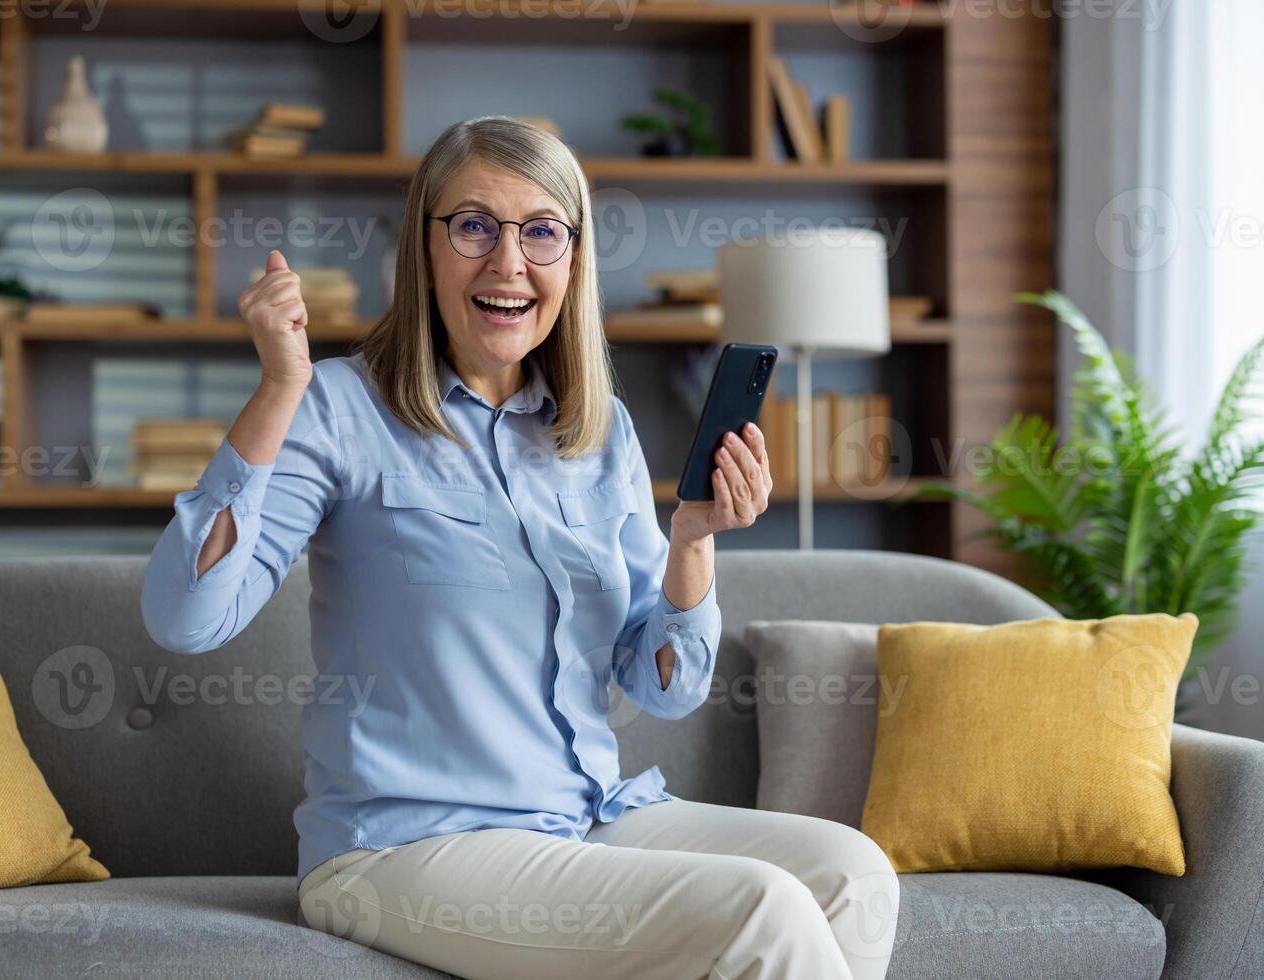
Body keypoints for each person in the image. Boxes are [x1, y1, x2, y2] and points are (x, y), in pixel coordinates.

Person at [140, 115, 899, 980]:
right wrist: (279, 389)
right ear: (424, 246)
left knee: (853, 874)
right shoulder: (336, 408)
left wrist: (692, 540)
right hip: (406, 846)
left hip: (583, 811)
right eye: (474, 226)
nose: (508, 262)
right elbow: (185, 618)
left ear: (572, 260)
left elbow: (668, 691)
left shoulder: (597, 427)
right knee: (760, 912)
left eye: (542, 231)